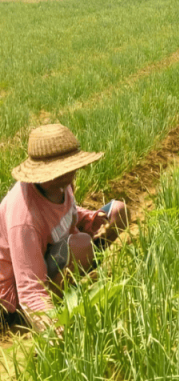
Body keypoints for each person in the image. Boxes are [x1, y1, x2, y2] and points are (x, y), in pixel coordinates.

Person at [0, 124, 129, 332]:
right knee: (81, 245)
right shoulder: (23, 217)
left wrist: (90, 219)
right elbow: (30, 288)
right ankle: (35, 313)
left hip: (54, 251)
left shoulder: (60, 183)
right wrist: (56, 328)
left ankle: (85, 265)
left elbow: (65, 211)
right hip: (17, 296)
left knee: (118, 211)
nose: (72, 172)